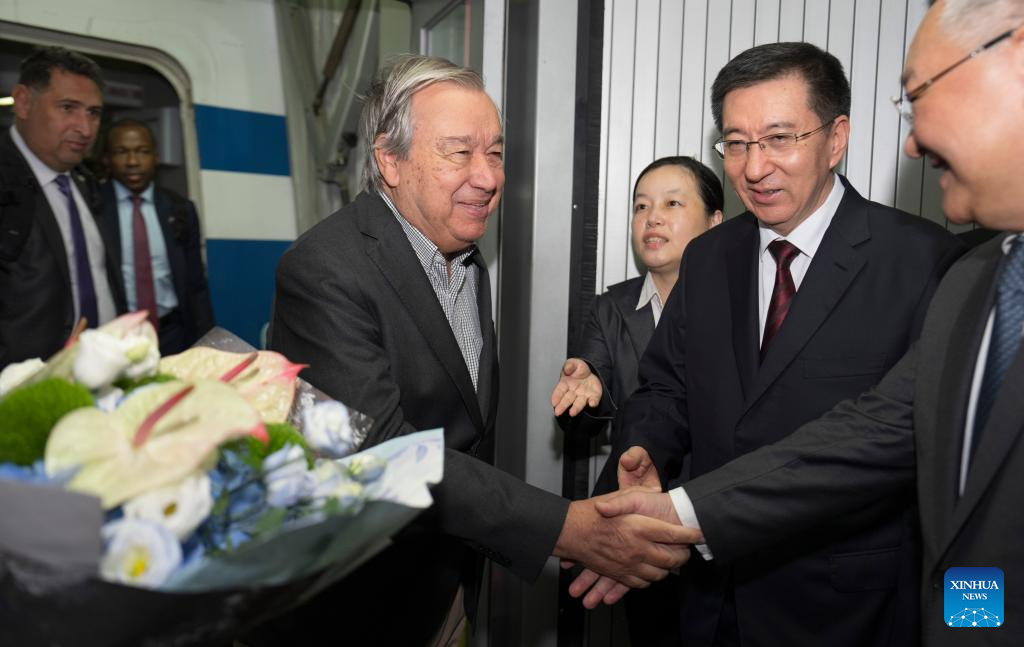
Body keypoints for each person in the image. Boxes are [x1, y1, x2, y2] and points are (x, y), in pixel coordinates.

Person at [578, 2, 1024, 644]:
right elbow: (668, 386)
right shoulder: (709, 258)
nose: (755, 167)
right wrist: (649, 454)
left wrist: (963, 622)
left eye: (780, 139)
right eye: (736, 144)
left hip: (843, 614)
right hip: (709, 598)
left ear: (835, 138)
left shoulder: (930, 265)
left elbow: (900, 457)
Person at [263, 55, 699, 646]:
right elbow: (380, 453)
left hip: (445, 586)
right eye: (459, 152)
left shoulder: (466, 262)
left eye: (494, 152)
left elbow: (461, 432)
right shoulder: (324, 269)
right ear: (389, 159)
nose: (489, 177)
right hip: (357, 603)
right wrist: (567, 528)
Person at [551, 156, 722, 646]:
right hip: (637, 519)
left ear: (716, 222)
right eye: (641, 206)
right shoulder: (612, 308)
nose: (652, 218)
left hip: (717, 515)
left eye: (672, 203)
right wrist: (583, 397)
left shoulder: (743, 301)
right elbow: (580, 420)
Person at [0, 46, 125, 369]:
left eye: (93, 113)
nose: (85, 129)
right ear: (24, 102)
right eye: (68, 108)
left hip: (103, 379)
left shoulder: (89, 185)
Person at [101, 119, 214, 355]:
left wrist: (206, 342)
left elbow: (196, 285)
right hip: (115, 336)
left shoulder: (179, 209)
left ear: (156, 157)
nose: (133, 162)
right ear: (107, 159)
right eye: (121, 152)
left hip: (172, 333)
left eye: (142, 152)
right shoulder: (94, 209)